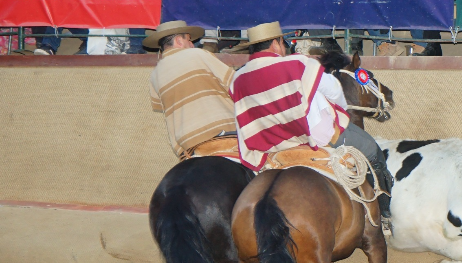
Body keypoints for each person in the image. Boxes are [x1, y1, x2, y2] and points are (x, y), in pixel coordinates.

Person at [229, 21, 394, 227]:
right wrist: (341, 113)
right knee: (371, 149)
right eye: (282, 42)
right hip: (313, 136)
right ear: (276, 43)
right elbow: (334, 90)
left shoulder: (237, 77)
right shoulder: (297, 63)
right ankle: (384, 214)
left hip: (267, 145)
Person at [146, 20, 237, 159]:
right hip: (221, 132)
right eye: (189, 40)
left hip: (187, 146)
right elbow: (236, 84)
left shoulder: (155, 75)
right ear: (179, 41)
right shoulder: (198, 54)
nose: (192, 44)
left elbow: (161, 108)